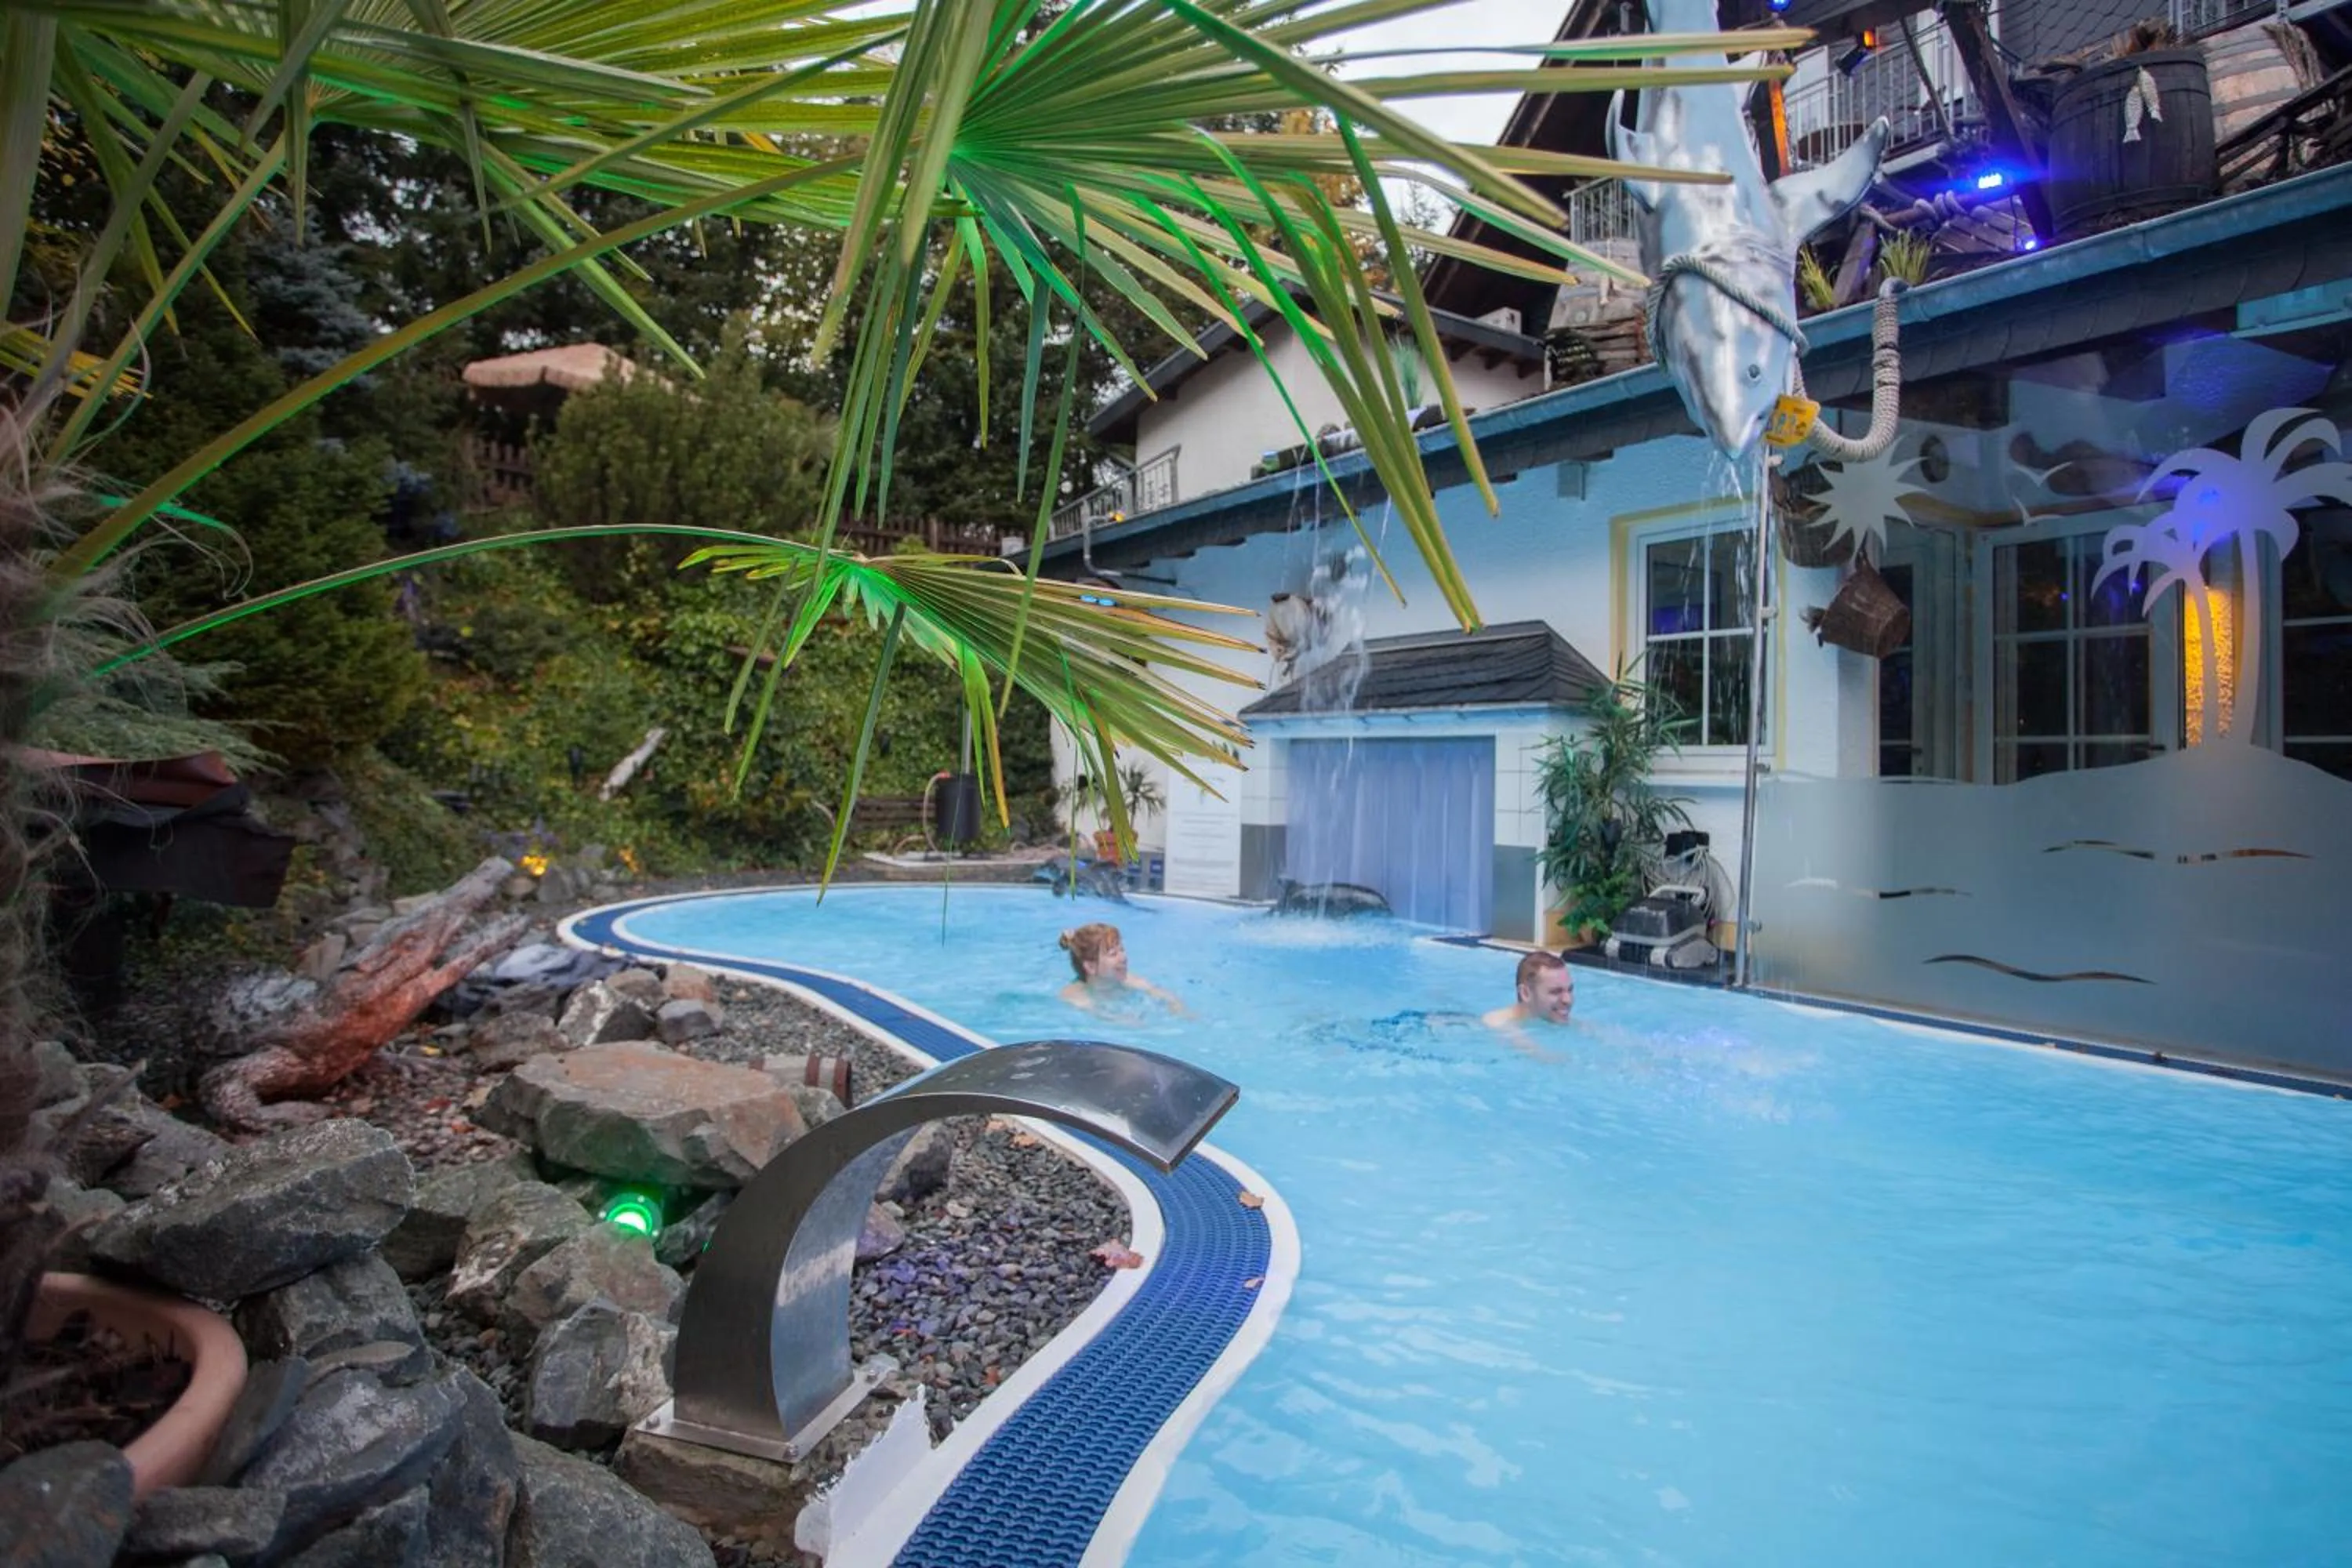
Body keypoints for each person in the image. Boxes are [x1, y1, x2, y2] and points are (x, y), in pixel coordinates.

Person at [1058, 923, 1186, 1016]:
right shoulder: (1075, 995)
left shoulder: (1129, 980)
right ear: (1091, 967)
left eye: (1122, 950)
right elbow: (1101, 1016)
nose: (1123, 958)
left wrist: (1177, 1008)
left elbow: (1161, 993)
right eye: (1113, 954)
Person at [1483, 950, 1576, 1036]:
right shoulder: (1498, 1024)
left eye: (1570, 990)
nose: (1567, 1000)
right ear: (1525, 993)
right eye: (1555, 992)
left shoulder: (1556, 1018)